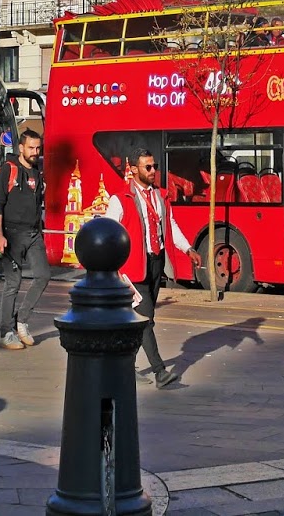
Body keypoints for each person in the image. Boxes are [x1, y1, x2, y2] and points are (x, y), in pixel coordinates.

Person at [104, 148, 201, 388]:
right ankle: (160, 372)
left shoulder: (161, 196)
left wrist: (188, 249)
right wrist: (113, 266)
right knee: (146, 319)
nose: (153, 171)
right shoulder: (120, 199)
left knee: (144, 318)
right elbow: (108, 233)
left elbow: (171, 225)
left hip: (155, 262)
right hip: (132, 268)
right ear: (134, 169)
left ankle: (122, 362)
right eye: (148, 167)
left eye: (154, 166)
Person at [0, 130, 49, 351]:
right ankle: (6, 332)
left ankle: (21, 320)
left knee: (43, 276)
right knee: (13, 283)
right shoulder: (9, 169)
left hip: (33, 234)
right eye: (31, 148)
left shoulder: (36, 171)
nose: (35, 152)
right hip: (11, 234)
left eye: (38, 148)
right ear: (21, 148)